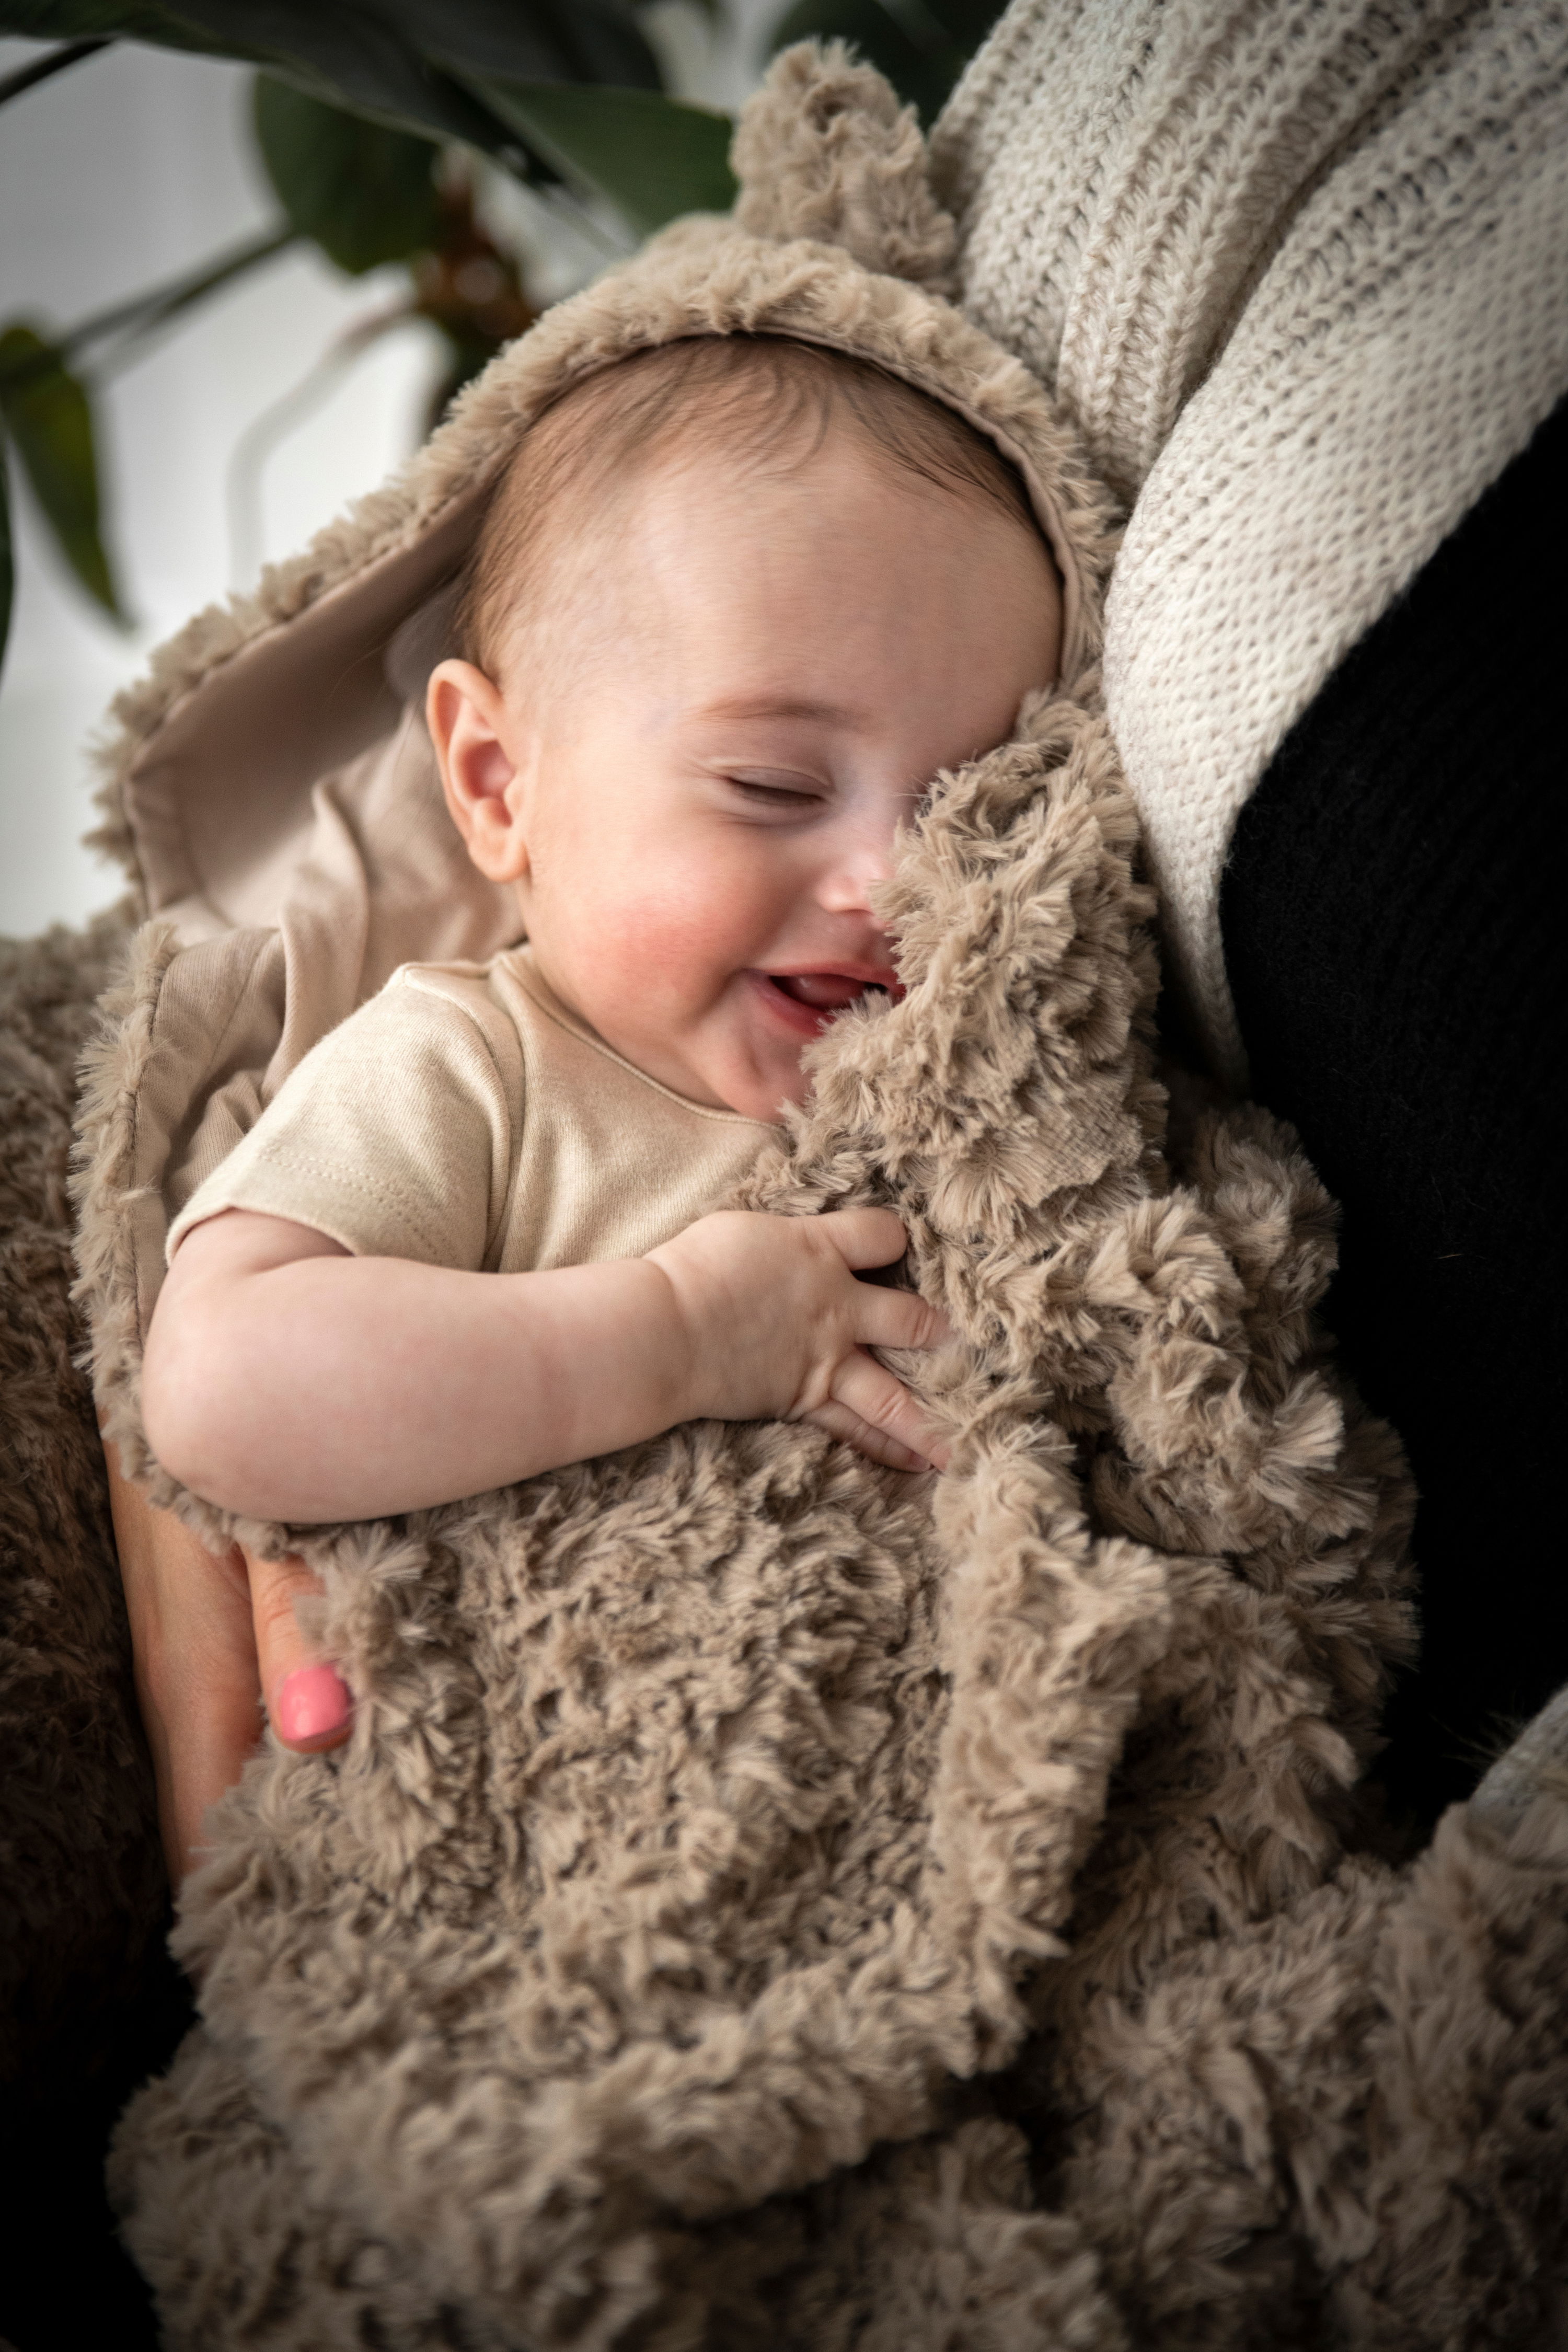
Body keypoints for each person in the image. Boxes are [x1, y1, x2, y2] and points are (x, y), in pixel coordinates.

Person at [121, 332, 1063, 1872]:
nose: (893, 884)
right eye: (771, 783)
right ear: (497, 784)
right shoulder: (471, 1069)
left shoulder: (980, 1088)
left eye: (969, 810)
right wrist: (681, 1338)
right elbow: (223, 1381)